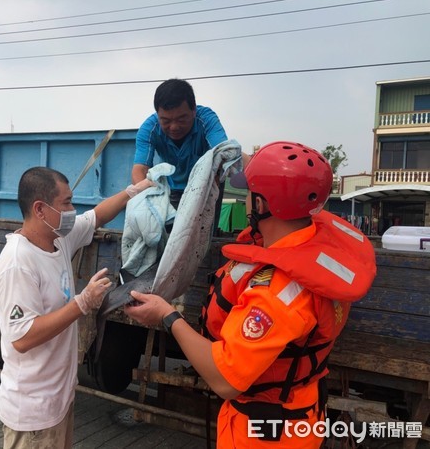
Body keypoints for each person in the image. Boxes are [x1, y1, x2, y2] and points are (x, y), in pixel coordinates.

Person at [125, 141, 377, 448]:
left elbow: (225, 379)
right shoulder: (318, 248)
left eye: (249, 194)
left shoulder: (276, 293)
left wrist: (167, 316)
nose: (245, 200)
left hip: (266, 433)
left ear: (260, 205)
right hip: (301, 412)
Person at [0, 167, 152, 449]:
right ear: (40, 209)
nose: (72, 209)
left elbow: (97, 216)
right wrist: (82, 303)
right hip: (33, 414)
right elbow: (22, 338)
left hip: (59, 402)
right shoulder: (18, 262)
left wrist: (133, 192)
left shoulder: (59, 239)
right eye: (66, 203)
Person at [132, 78, 231, 209]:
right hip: (172, 188)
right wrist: (148, 205)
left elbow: (223, 153)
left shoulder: (207, 119)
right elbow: (140, 169)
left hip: (206, 188)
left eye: (181, 119)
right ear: (158, 114)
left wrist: (210, 194)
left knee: (204, 228)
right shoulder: (149, 129)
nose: (174, 127)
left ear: (193, 110)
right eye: (166, 121)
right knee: (167, 227)